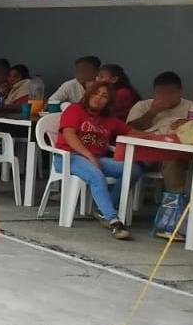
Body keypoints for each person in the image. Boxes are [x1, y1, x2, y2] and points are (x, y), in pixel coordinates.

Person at [56, 81, 140, 241]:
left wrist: (162, 135)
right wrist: (89, 156)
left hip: (96, 159)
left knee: (132, 170)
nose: (98, 98)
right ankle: (114, 221)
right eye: (95, 93)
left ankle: (104, 209)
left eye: (104, 96)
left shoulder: (110, 119)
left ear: (109, 101)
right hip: (68, 157)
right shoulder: (75, 109)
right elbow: (69, 135)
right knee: (96, 175)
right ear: (88, 94)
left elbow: (133, 132)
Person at [127, 71, 193, 192]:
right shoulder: (143, 106)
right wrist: (152, 112)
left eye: (170, 93)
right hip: (146, 154)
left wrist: (186, 127)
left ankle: (174, 202)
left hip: (178, 154)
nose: (165, 97)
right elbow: (130, 130)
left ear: (180, 91)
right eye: (160, 93)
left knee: (172, 159)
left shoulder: (192, 108)